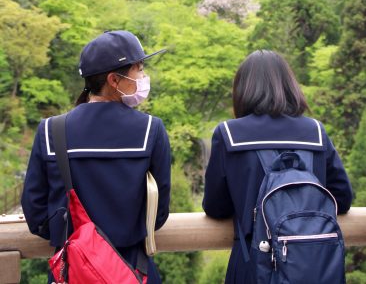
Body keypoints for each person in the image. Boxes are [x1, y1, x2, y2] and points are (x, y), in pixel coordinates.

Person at [21, 30, 171, 283]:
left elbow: (36, 214)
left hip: (71, 271)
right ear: (114, 79)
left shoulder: (51, 130)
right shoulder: (150, 129)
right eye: (139, 68)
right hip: (131, 269)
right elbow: (159, 213)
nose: (143, 76)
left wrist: (73, 240)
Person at [203, 50, 353, 284]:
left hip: (252, 265)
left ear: (243, 90)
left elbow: (215, 207)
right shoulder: (315, 132)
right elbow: (342, 199)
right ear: (289, 85)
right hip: (313, 267)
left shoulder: (229, 134)